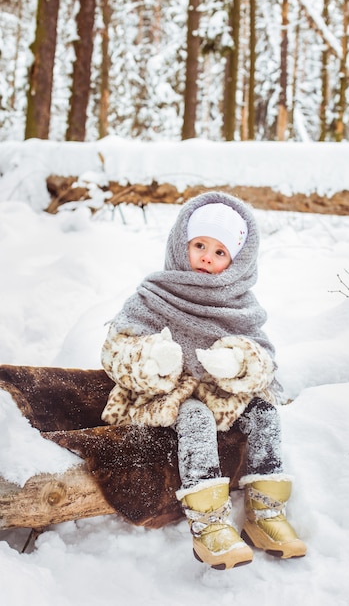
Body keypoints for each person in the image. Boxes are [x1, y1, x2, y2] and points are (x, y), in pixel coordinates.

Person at [100, 191, 306, 570]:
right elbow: (116, 350)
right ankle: (209, 523)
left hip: (218, 395)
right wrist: (150, 359)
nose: (207, 257)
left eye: (221, 252)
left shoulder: (238, 304)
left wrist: (238, 362)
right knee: (195, 416)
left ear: (237, 262)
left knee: (263, 412)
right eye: (199, 245)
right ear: (181, 245)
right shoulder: (153, 296)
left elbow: (264, 360)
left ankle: (266, 512)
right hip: (160, 398)